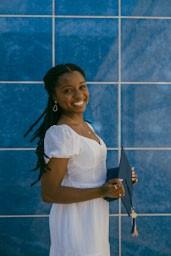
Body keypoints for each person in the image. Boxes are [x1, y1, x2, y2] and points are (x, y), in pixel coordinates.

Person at [25, 64, 132, 256]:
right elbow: (49, 193)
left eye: (82, 86)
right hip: (74, 222)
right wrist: (101, 190)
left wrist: (119, 177)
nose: (78, 95)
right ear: (54, 97)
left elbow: (86, 173)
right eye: (67, 90)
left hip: (94, 218)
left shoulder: (87, 127)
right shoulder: (62, 133)